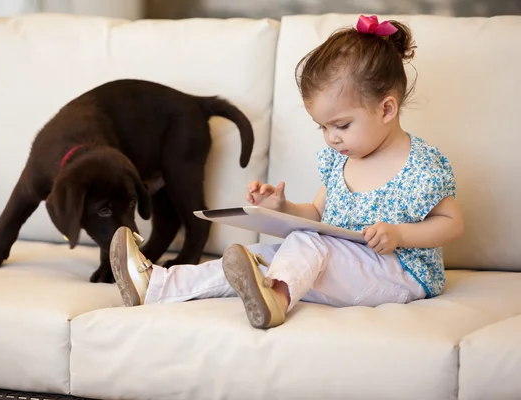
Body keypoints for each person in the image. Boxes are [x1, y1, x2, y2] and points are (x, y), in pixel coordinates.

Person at [108, 15, 464, 330]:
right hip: (343, 264)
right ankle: (158, 285)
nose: (332, 138)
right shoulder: (340, 160)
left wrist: (400, 234)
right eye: (322, 127)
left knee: (303, 245)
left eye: (341, 125)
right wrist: (282, 208)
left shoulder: (421, 164)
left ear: (387, 109)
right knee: (264, 254)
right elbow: (318, 216)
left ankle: (276, 299)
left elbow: (452, 223)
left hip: (400, 274)